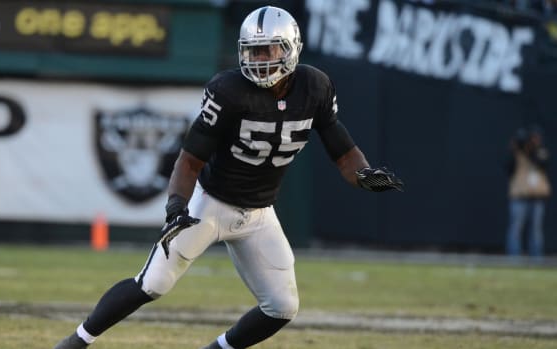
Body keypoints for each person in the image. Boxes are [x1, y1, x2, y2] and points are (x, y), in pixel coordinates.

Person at [54, 6, 403, 349]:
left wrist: (366, 177)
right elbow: (189, 161)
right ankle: (76, 342)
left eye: (267, 49)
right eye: (252, 50)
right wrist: (176, 207)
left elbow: (343, 154)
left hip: (259, 213)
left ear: (291, 47)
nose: (259, 58)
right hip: (210, 205)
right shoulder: (229, 90)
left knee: (282, 307)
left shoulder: (314, 86)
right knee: (153, 283)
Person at [505, 125, 551, 258]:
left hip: (537, 197)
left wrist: (531, 150)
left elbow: (543, 164)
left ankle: (536, 257)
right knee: (515, 228)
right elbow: (507, 168)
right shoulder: (517, 153)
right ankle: (514, 257)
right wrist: (515, 149)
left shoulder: (541, 151)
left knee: (536, 230)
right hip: (519, 196)